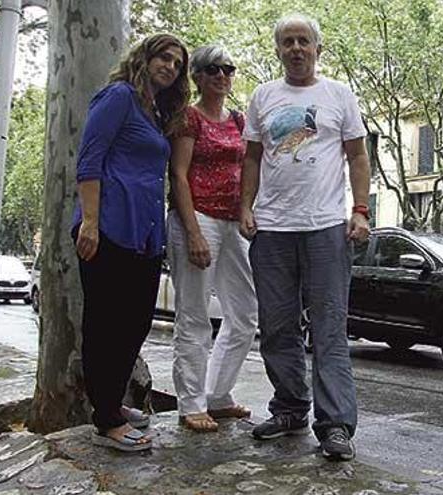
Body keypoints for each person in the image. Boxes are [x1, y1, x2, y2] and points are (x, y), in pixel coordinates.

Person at [239, 14, 371, 462]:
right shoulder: (263, 97)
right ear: (278, 49)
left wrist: (360, 211)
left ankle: (334, 426)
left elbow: (357, 156)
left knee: (330, 328)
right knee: (276, 328)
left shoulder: (339, 95)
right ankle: (291, 408)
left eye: (304, 41)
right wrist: (244, 206)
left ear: (318, 48)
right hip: (272, 229)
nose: (296, 48)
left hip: (325, 229)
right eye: (287, 42)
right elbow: (253, 159)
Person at [73, 34, 189, 452]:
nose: (170, 67)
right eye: (164, 57)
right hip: (107, 227)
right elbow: (90, 158)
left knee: (135, 323)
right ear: (144, 57)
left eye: (177, 63)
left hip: (144, 235)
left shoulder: (155, 111)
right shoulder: (118, 96)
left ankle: (113, 404)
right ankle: (105, 421)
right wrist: (89, 221)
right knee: (104, 325)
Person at [167, 45, 258, 432]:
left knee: (245, 314)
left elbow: (251, 169)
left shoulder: (238, 120)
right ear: (198, 77)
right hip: (197, 218)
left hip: (232, 222)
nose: (223, 75)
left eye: (228, 69)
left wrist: (246, 210)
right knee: (194, 314)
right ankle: (190, 403)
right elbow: (179, 175)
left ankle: (218, 396)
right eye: (213, 69)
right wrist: (192, 233)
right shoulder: (190, 118)